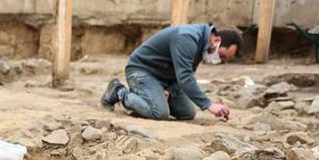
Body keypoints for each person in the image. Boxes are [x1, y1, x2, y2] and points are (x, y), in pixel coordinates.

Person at [101, 24, 241, 121]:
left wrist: (170, 90)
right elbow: (185, 77)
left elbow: (186, 74)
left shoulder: (201, 45)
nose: (221, 61)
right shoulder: (187, 38)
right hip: (142, 70)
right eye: (222, 56)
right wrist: (209, 105)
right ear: (216, 41)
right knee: (159, 113)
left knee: (187, 113)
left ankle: (146, 98)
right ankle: (119, 92)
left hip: (163, 78)